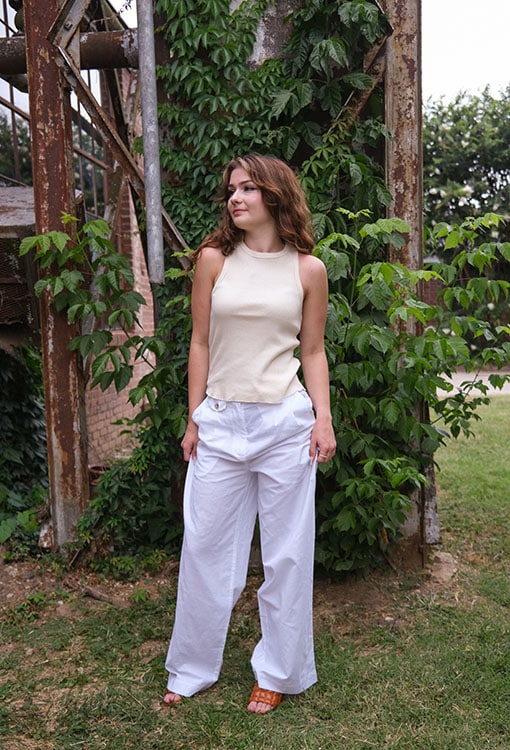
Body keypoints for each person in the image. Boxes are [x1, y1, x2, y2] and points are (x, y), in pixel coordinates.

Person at [163, 153, 336, 714]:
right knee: (204, 549)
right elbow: (200, 343)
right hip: (220, 422)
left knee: (287, 556)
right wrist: (194, 417)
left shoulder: (308, 270)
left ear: (275, 195)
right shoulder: (214, 260)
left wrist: (323, 417)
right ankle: (191, 668)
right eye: (231, 190)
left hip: (285, 425)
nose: (235, 198)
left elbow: (313, 350)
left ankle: (278, 672)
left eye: (247, 188)